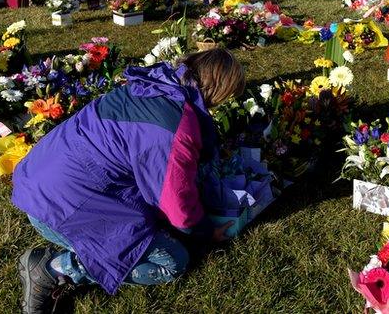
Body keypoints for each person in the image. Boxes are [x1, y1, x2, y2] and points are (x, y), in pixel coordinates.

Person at [13, 49, 245, 313]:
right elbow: (179, 207)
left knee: (150, 227)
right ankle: (54, 268)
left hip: (36, 185)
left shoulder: (155, 86)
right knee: (173, 261)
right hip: (58, 211)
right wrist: (205, 232)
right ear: (218, 91)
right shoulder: (176, 125)